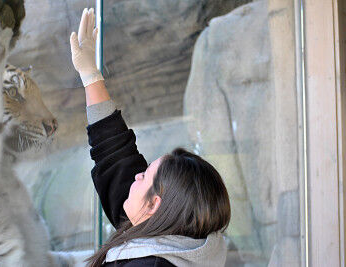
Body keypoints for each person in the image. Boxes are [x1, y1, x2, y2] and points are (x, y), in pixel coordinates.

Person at [70, 8, 231, 267]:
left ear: (155, 204)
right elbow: (117, 158)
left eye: (144, 176)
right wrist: (91, 76)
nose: (137, 175)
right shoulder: (178, 241)